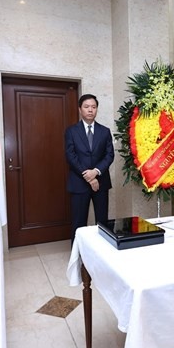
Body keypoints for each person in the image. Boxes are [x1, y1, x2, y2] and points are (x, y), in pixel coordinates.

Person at [65, 94, 114, 244]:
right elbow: (70, 156)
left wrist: (96, 172)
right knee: (79, 223)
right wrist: (88, 176)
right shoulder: (71, 131)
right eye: (86, 107)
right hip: (79, 184)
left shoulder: (104, 131)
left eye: (93, 107)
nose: (90, 110)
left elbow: (109, 155)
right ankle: (78, 256)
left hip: (101, 183)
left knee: (102, 221)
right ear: (80, 109)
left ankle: (103, 253)